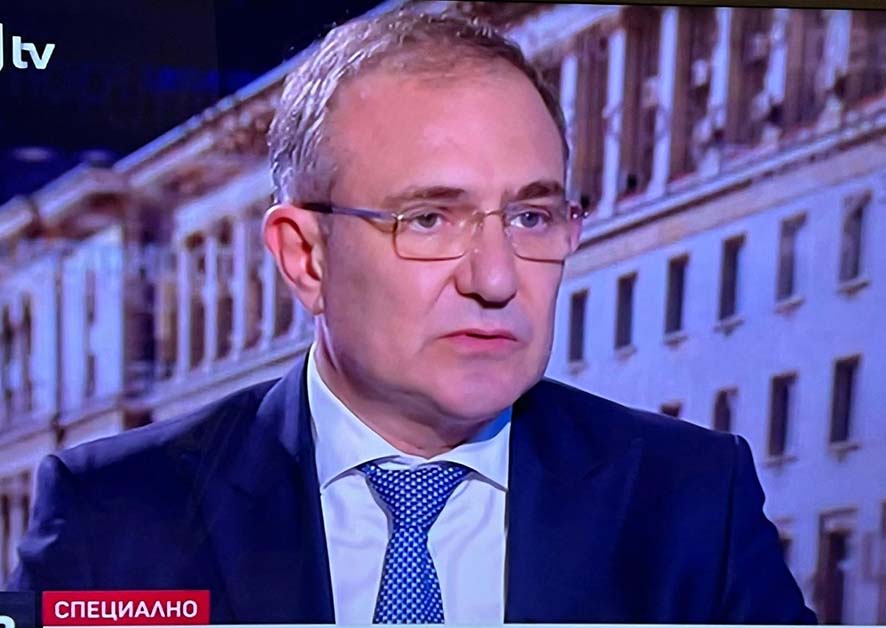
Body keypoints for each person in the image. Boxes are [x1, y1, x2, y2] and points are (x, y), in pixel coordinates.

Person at [9, 10, 816, 625]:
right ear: (306, 258)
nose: (496, 279)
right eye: (429, 220)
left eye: (531, 218)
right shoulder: (114, 515)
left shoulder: (691, 502)